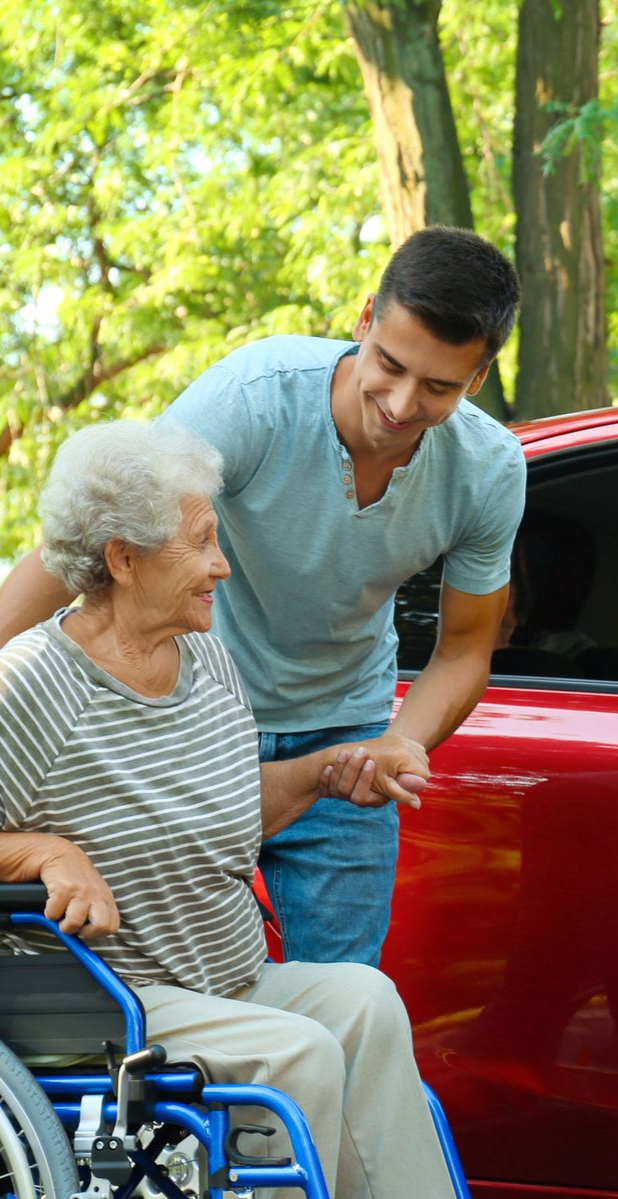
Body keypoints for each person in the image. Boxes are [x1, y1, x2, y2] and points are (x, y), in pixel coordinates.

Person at [0, 226, 527, 968]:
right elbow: (101, 535)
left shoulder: (488, 470)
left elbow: (467, 646)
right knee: (163, 990)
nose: (402, 403)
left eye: (438, 387)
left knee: (345, 996)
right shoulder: (254, 397)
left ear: (476, 381)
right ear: (364, 319)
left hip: (339, 736)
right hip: (186, 728)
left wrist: (403, 742)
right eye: (389, 364)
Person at [0, 421, 456, 1199]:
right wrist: (46, 851)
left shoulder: (205, 656)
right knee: (299, 1050)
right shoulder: (35, 684)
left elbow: (228, 804)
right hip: (121, 1001)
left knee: (368, 1001)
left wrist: (324, 773)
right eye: (202, 541)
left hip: (229, 975)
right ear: (123, 556)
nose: (222, 564)